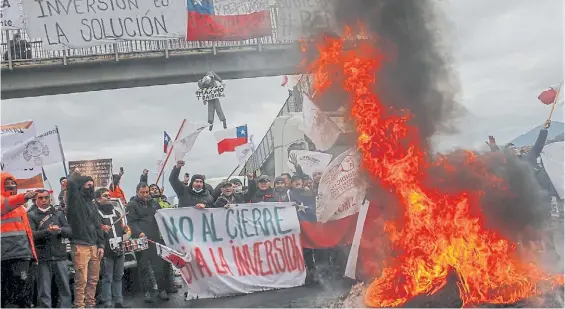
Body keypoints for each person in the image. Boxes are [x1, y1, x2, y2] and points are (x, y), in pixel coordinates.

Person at [126, 183, 172, 303]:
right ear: (137, 192)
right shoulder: (132, 205)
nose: (146, 194)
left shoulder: (154, 203)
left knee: (159, 266)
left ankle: (162, 290)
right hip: (141, 240)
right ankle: (147, 292)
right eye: (143, 192)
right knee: (144, 267)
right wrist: (139, 233)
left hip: (155, 238)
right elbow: (131, 222)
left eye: (147, 192)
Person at [66, 170, 105, 308]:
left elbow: (98, 226)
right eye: (88, 185)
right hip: (80, 245)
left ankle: (90, 303)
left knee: (93, 279)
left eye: (92, 185)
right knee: (81, 280)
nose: (90, 188)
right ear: (81, 186)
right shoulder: (74, 203)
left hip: (94, 245)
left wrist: (101, 245)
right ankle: (79, 305)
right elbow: (70, 185)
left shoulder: (93, 204)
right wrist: (75, 175)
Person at [28, 189, 73, 308]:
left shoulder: (58, 213)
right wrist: (48, 231)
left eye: (46, 197)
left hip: (60, 255)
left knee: (65, 288)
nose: (44, 200)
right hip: (42, 257)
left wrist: (60, 230)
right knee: (44, 290)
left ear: (50, 198)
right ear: (35, 200)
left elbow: (70, 231)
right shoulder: (31, 215)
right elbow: (31, 235)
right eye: (40, 198)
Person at [1, 172, 38, 308]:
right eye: (7, 185)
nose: (11, 187)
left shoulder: (21, 208)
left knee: (23, 297)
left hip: (22, 255)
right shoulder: (6, 202)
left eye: (13, 184)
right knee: (11, 298)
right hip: (6, 257)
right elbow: (6, 204)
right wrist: (24, 196)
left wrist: (32, 255)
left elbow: (27, 233)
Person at [95, 188, 130, 308]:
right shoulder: (96, 213)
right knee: (107, 277)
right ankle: (107, 303)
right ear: (98, 199)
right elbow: (91, 229)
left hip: (119, 248)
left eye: (109, 195)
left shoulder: (117, 212)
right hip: (106, 250)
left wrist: (125, 229)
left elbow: (121, 228)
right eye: (105, 196)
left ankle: (118, 302)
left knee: (118, 276)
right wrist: (101, 228)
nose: (108, 197)